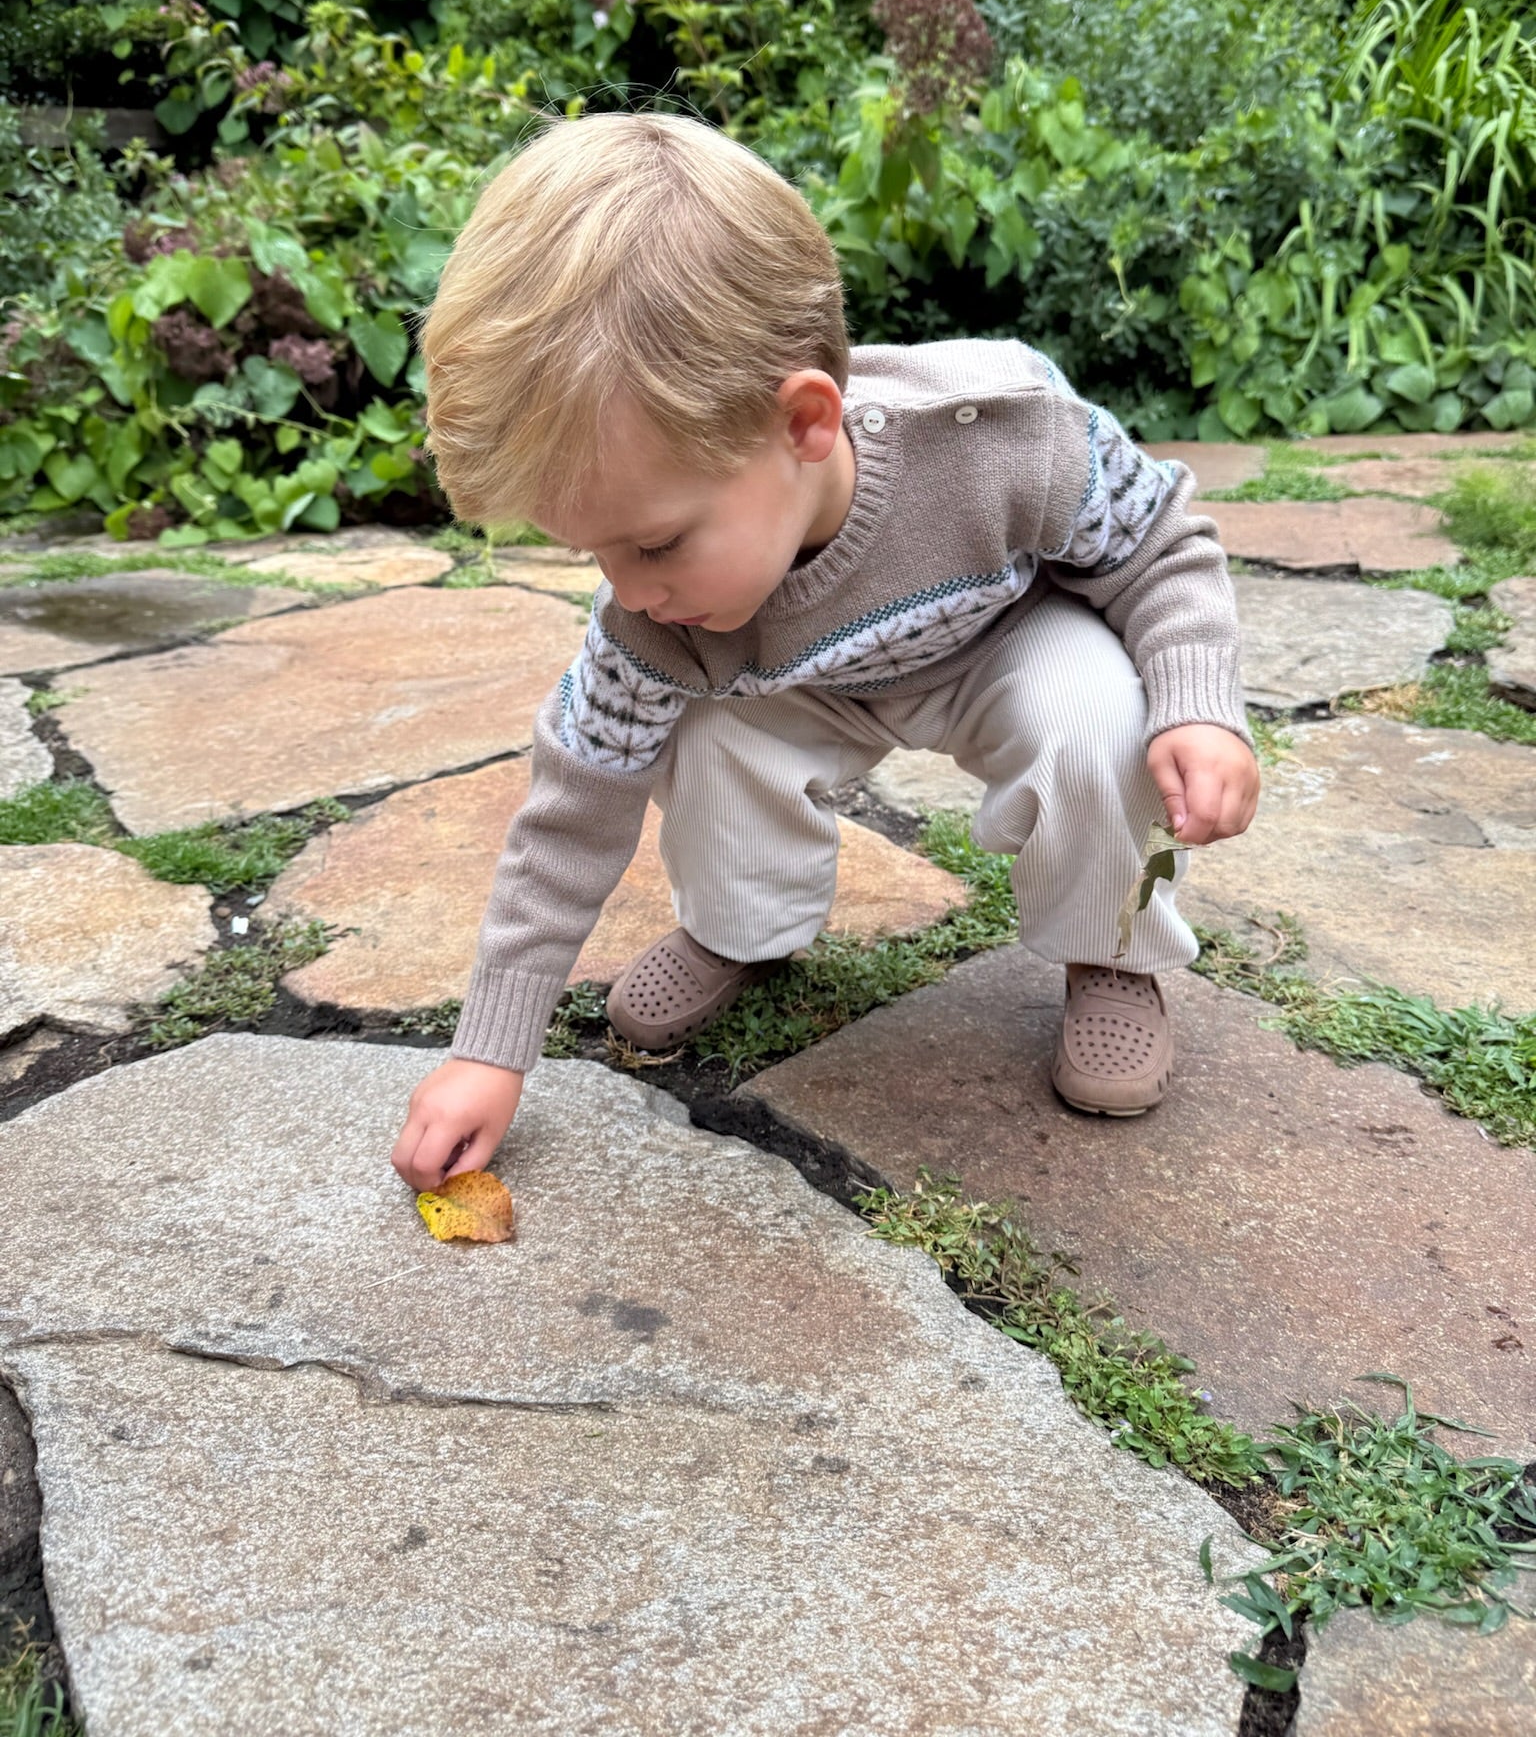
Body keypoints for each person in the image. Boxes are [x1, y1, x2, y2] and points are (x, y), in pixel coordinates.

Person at [390, 111, 1259, 1193]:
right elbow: (574, 804)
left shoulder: (1004, 433)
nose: (629, 588)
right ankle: (739, 928)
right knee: (703, 736)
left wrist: (1197, 702)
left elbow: (1162, 545)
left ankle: (1112, 950)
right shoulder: (654, 620)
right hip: (799, 683)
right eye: (592, 552)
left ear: (804, 423)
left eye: (654, 542)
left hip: (1004, 639)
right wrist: (491, 1048)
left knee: (1100, 720)